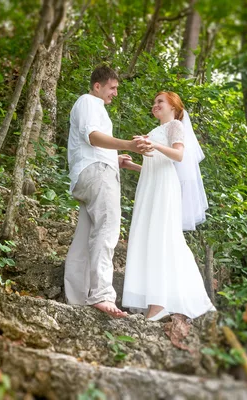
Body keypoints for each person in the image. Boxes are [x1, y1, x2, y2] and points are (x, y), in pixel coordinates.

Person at [64, 65, 151, 318]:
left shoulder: (91, 106)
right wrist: (129, 145)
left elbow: (91, 142)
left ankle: (77, 298)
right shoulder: (90, 101)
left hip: (89, 173)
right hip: (97, 174)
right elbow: (92, 137)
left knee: (85, 238)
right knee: (108, 229)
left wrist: (117, 157)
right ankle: (102, 293)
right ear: (98, 86)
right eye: (112, 88)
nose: (115, 93)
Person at [122, 91, 216, 321]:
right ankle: (156, 300)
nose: (155, 105)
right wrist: (132, 165)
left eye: (160, 102)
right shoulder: (155, 131)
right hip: (151, 185)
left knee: (161, 237)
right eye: (153, 102)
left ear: (173, 106)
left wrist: (152, 143)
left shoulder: (175, 126)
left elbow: (178, 155)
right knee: (148, 236)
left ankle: (160, 303)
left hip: (165, 187)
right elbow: (155, 165)